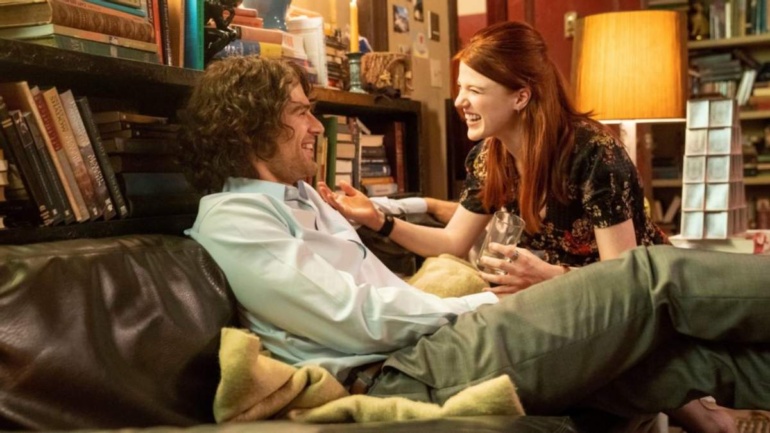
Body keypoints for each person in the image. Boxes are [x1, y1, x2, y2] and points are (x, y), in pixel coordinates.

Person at [179, 55, 767, 433]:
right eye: (302, 113)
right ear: (251, 126)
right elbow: (357, 318)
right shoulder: (234, 218)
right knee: (648, 278)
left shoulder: (303, 198)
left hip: (431, 342)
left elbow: (394, 274)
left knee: (680, 361)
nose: (316, 127)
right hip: (401, 368)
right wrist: (479, 305)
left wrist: (387, 222)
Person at [317, 21, 668, 295]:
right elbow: (452, 243)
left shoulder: (594, 154)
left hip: (639, 296)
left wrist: (547, 276)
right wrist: (378, 219)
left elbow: (622, 277)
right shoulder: (489, 157)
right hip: (565, 295)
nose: (459, 102)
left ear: (521, 97)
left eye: (475, 90)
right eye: (460, 88)